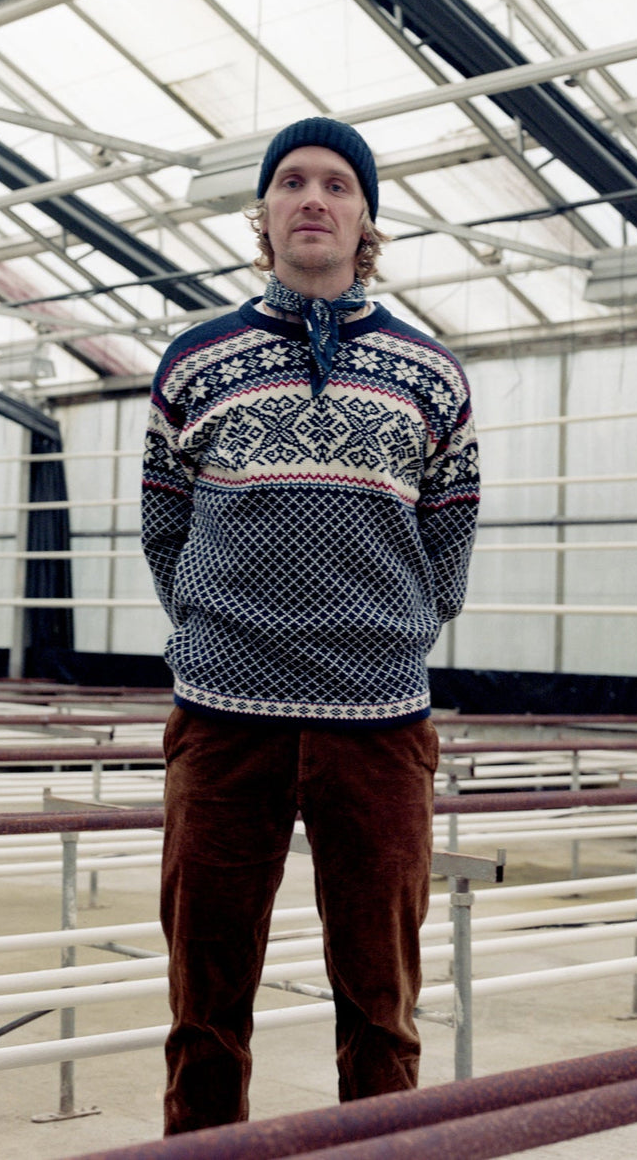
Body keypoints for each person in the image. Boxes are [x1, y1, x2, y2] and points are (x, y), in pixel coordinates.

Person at [141, 116, 479, 1134]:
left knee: (381, 1007)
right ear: (264, 212)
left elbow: (449, 542)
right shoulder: (195, 360)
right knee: (206, 1005)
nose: (314, 199)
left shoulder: (431, 374)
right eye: (291, 181)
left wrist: (386, 635)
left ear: (367, 216)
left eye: (338, 183)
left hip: (377, 727)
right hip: (223, 721)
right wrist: (223, 634)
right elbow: (166, 528)